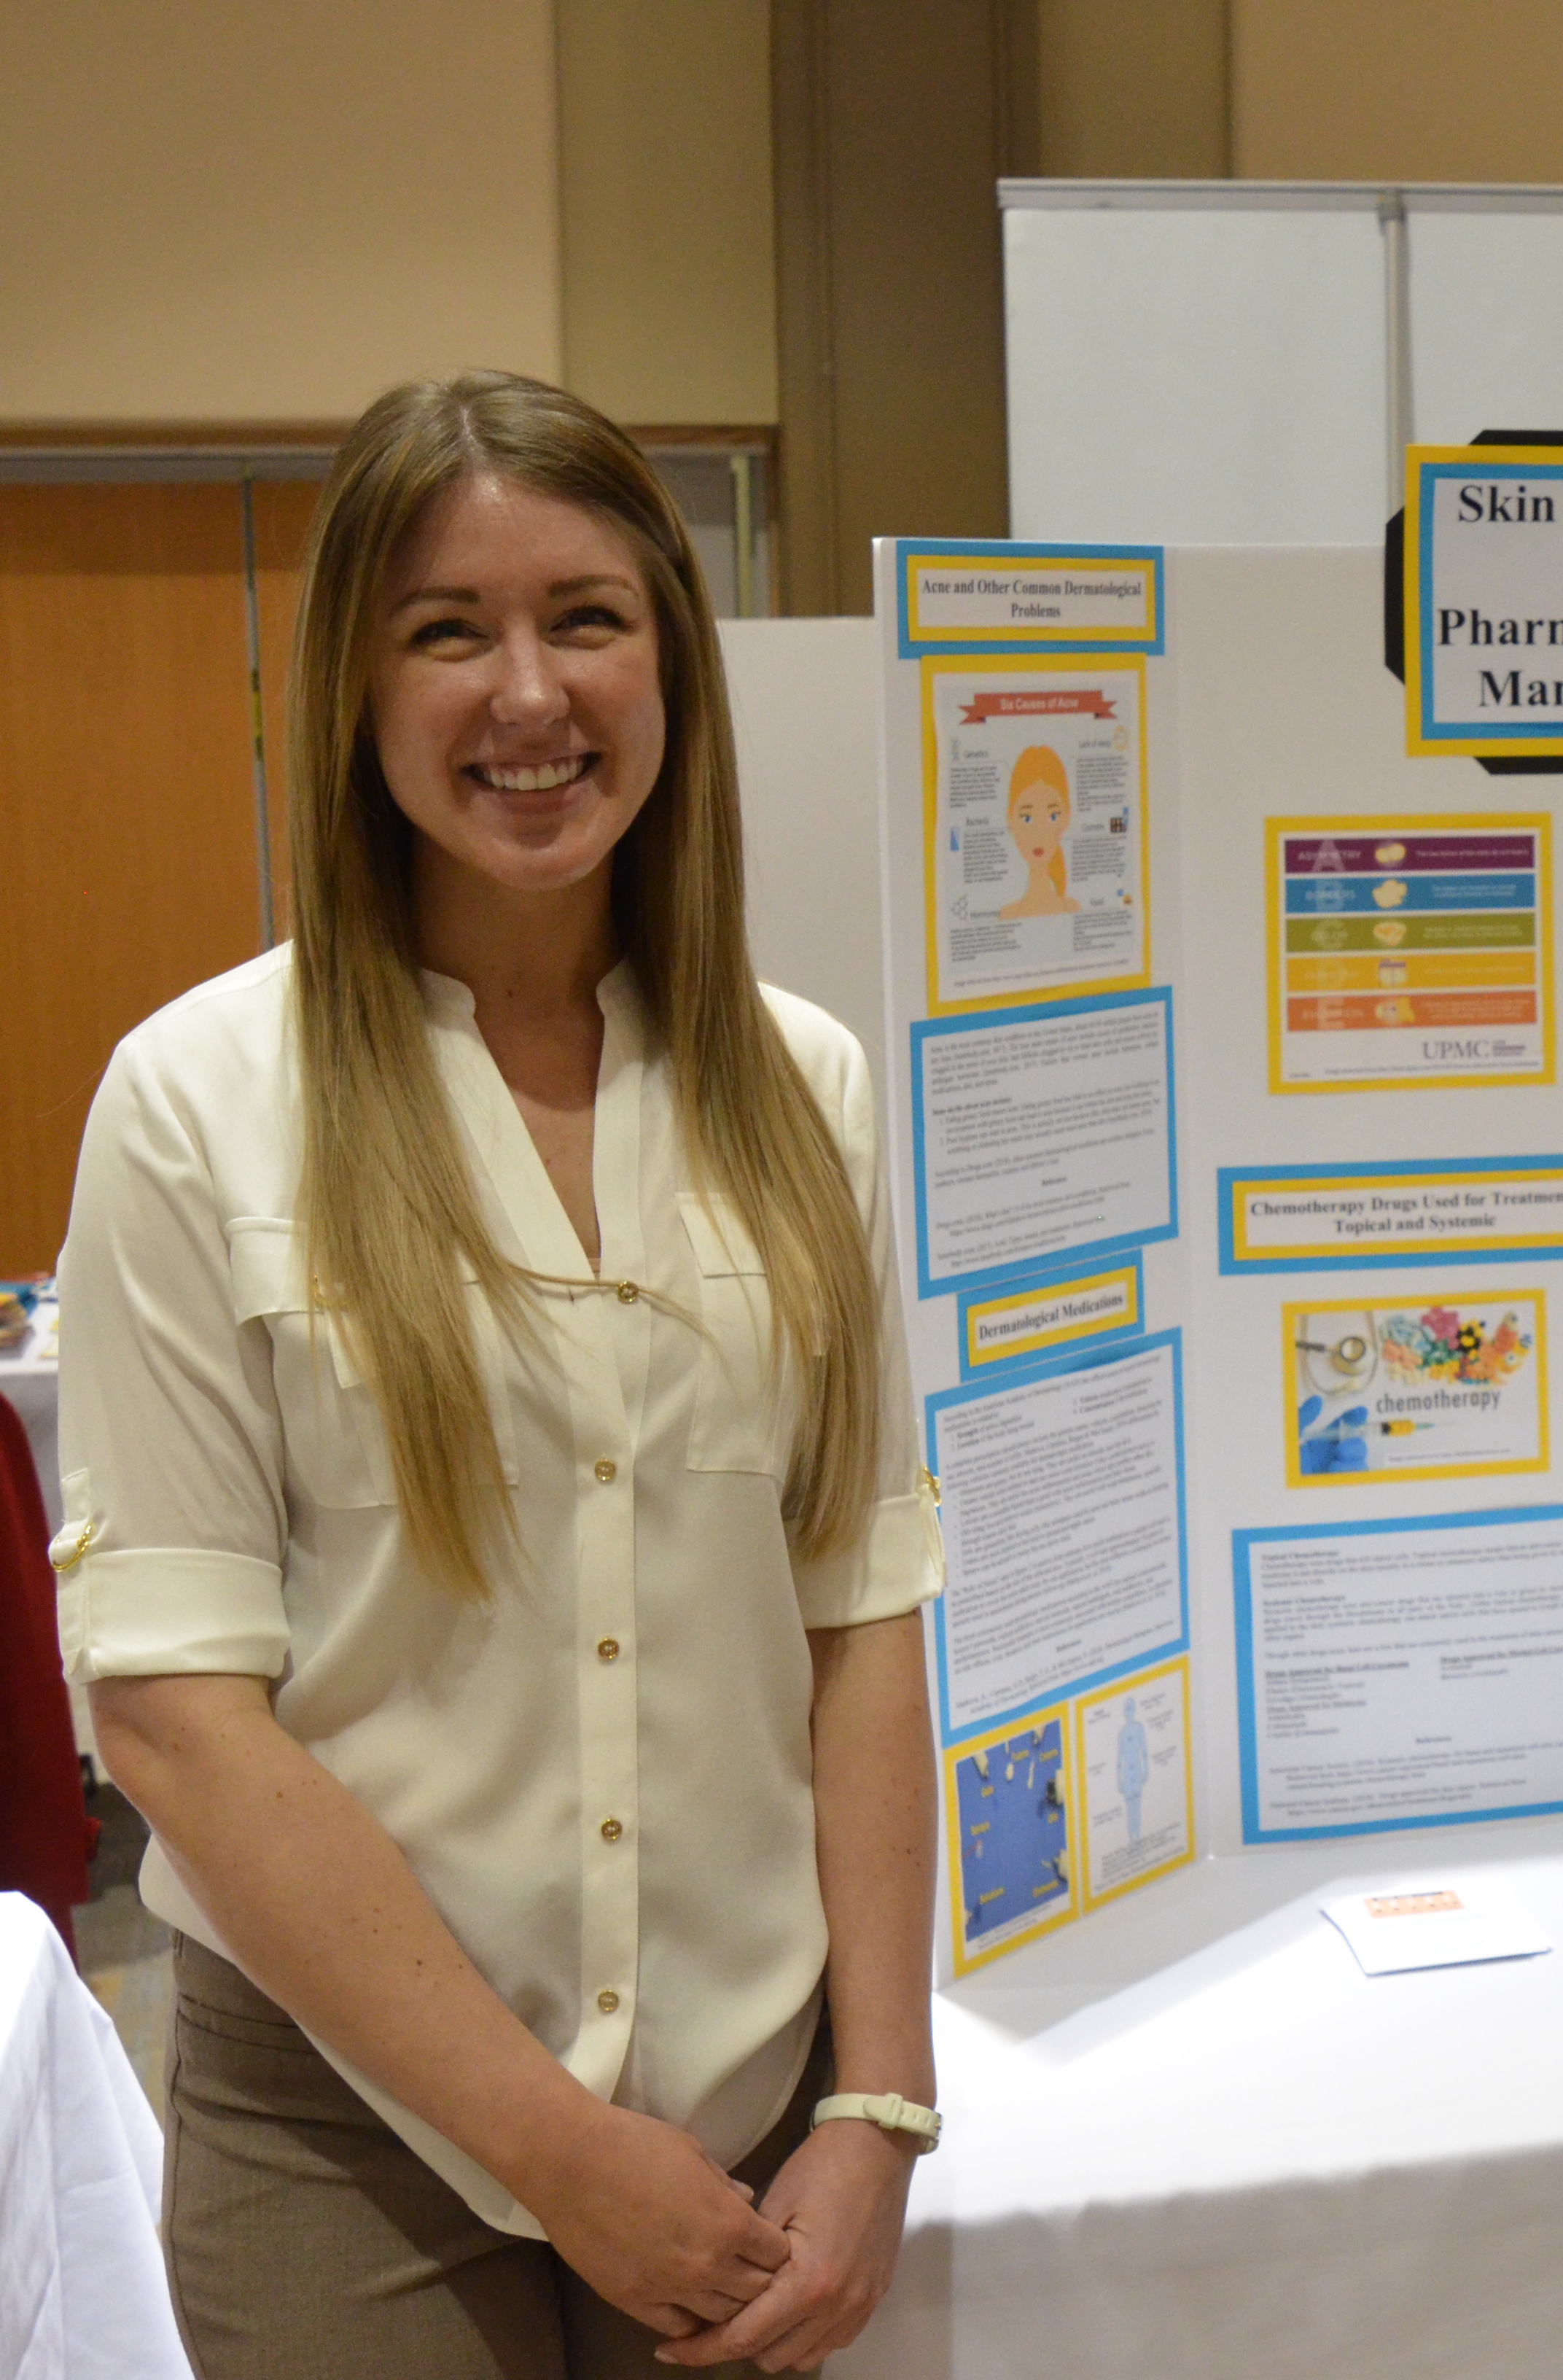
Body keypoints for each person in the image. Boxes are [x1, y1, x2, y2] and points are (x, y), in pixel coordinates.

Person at [56, 371, 942, 2376]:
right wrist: (559, 2154)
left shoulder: (805, 1090)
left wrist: (879, 2103)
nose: (529, 695)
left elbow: (859, 1612)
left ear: (673, 669)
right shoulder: (201, 1102)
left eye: (588, 619)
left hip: (760, 2109)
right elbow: (184, 1721)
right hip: (348, 2146)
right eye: (448, 632)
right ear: (358, 696)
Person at [998, 744, 1077, 919]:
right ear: (1010, 820)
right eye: (1027, 819)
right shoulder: (1006, 916)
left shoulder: (1073, 909)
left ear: (1067, 817)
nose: (1039, 833)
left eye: (1052, 816)